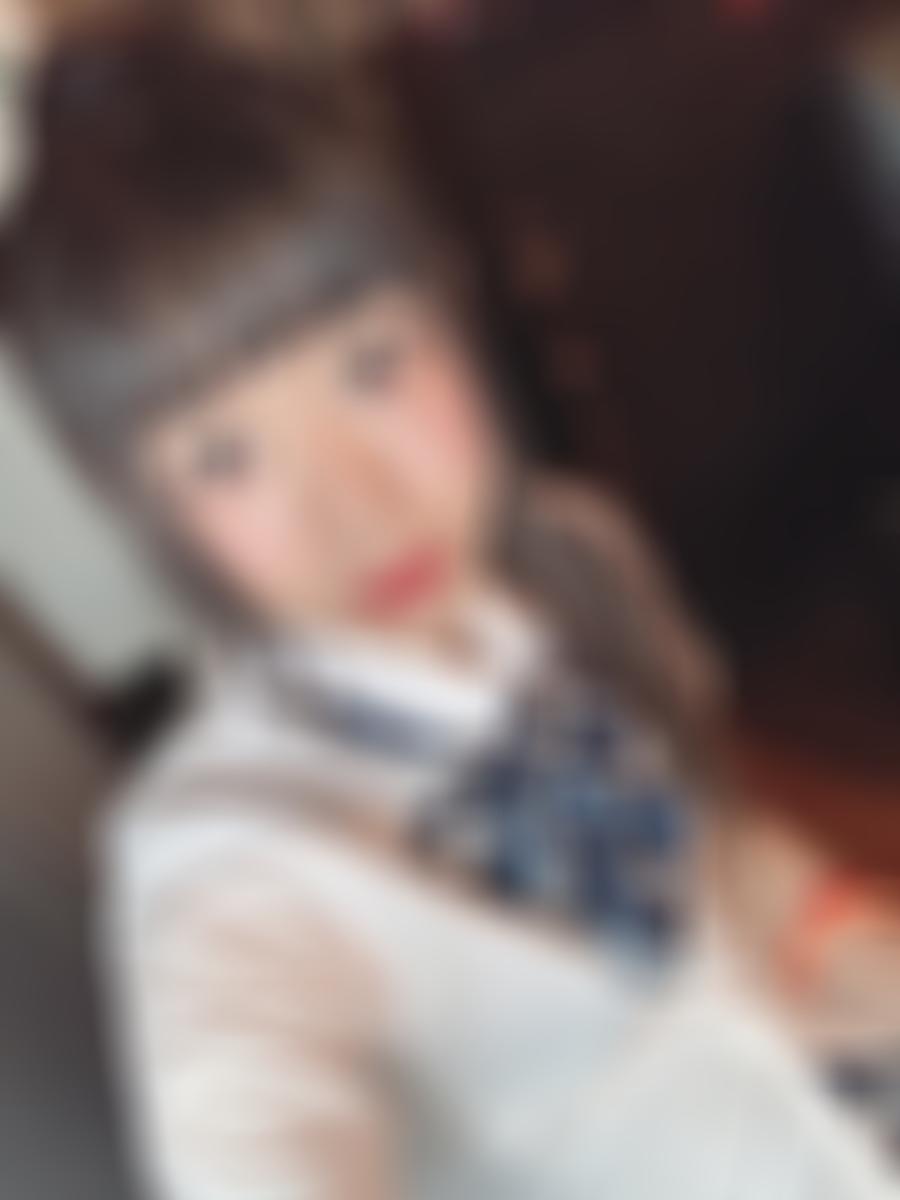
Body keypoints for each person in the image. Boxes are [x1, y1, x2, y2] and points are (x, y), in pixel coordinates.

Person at [2, 24, 892, 1200]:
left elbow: (712, 840)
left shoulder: (580, 556)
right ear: (149, 512)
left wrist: (844, 932)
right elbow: (256, 1125)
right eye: (225, 457)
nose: (354, 506)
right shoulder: (230, 857)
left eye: (370, 367)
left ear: (450, 307)